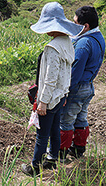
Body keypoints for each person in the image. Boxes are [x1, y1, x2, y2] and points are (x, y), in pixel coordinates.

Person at [21, 2, 84, 176]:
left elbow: (50, 79)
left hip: (49, 98)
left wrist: (42, 102)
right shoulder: (68, 43)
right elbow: (66, 73)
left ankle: (35, 167)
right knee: (55, 129)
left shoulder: (52, 48)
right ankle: (52, 159)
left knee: (42, 134)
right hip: (61, 95)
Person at [59, 6, 105, 161]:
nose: (73, 25)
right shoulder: (99, 38)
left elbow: (75, 72)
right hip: (88, 86)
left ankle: (61, 153)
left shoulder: (83, 44)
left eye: (75, 22)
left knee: (66, 120)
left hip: (77, 87)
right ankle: (79, 148)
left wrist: (65, 92)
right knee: (81, 117)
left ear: (86, 26)